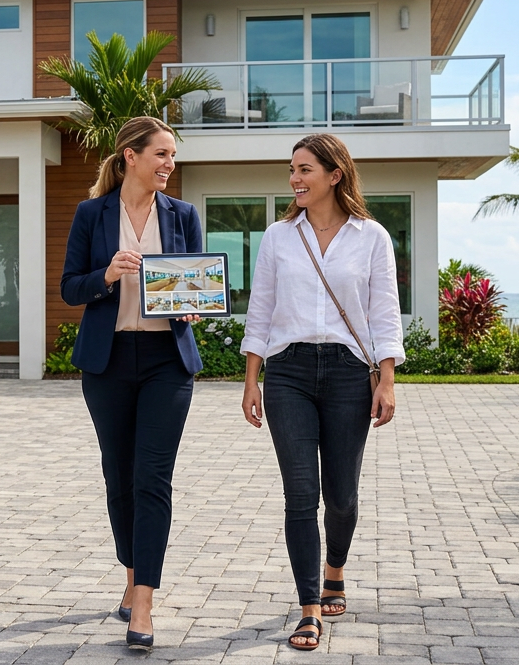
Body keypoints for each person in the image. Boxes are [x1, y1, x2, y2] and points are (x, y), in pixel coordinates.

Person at [238, 133, 403, 651]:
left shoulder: (371, 237)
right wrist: (251, 377)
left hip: (349, 374)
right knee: (300, 494)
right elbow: (260, 309)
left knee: (343, 498)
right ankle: (310, 607)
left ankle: (335, 569)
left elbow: (384, 314)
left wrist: (388, 379)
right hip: (287, 372)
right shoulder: (278, 236)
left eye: (305, 169)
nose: (295, 179)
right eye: (292, 170)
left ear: (335, 174)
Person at [60, 116, 203, 652]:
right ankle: (130, 572)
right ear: (131, 157)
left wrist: (191, 307)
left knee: (151, 477)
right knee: (119, 480)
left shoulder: (182, 215)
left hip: (167, 361)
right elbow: (70, 288)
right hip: (108, 361)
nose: (170, 164)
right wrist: (106, 276)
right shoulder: (91, 214)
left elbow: (194, 283)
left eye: (172, 155)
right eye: (162, 154)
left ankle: (142, 600)